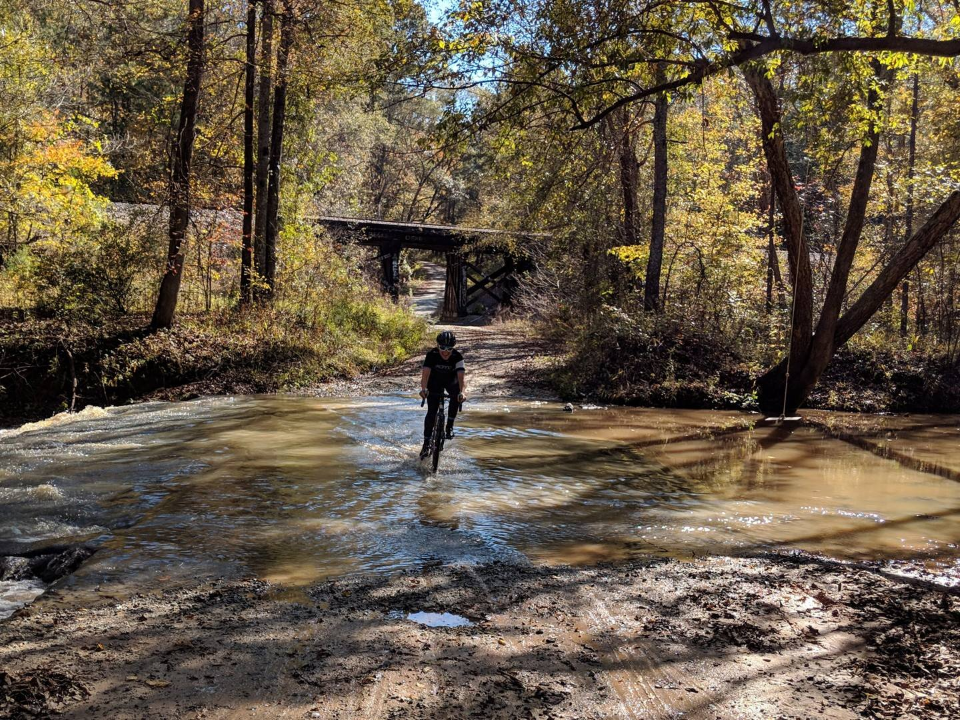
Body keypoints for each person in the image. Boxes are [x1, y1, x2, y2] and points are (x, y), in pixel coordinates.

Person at [419, 330, 466, 458]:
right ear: (438, 346)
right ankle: (426, 443)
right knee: (431, 412)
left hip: (451, 381)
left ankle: (449, 426)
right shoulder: (432, 355)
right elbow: (425, 374)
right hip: (434, 382)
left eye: (449, 348)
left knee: (457, 395)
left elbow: (461, 378)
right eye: (442, 348)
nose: (445, 351)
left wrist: (462, 392)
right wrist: (423, 389)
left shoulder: (457, 357)